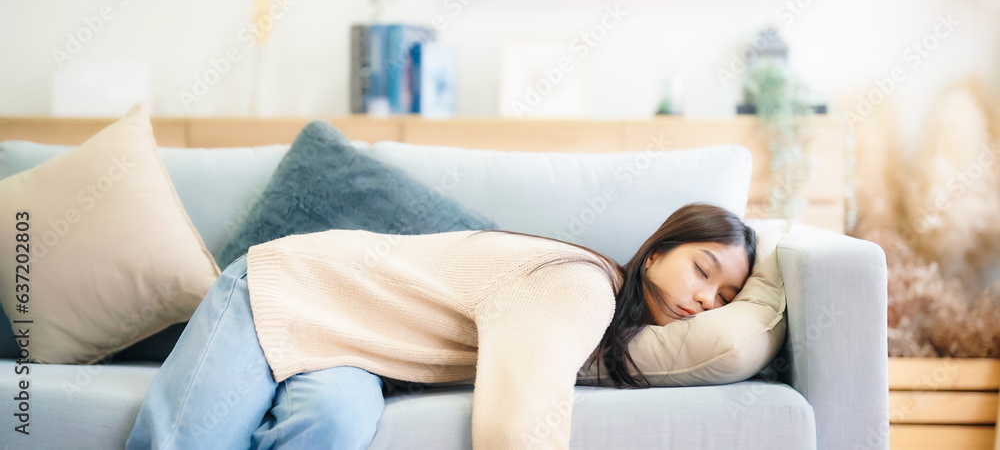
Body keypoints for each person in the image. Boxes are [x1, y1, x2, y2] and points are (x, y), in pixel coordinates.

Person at [126, 202, 755, 450]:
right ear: (654, 253)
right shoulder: (579, 286)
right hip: (287, 288)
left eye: (726, 295)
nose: (708, 299)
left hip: (356, 351)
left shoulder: (611, 320)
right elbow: (520, 423)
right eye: (703, 270)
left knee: (332, 426)